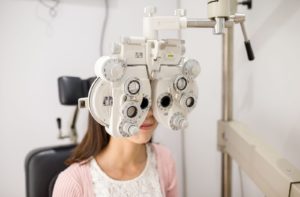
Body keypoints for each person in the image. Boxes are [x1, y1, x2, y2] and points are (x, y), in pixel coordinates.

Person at [52, 108, 178, 197]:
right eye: (135, 101)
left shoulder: (164, 158)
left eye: (154, 99)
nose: (149, 112)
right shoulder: (72, 183)